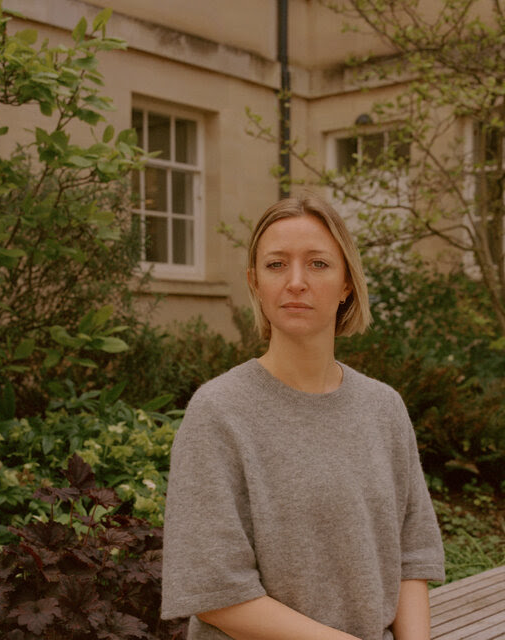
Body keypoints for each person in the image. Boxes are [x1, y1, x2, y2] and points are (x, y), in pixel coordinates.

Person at [161, 194, 445, 640]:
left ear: (347, 282)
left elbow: (413, 556)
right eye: (276, 265)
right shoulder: (219, 412)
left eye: (317, 264)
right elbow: (215, 589)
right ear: (254, 282)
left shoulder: (383, 408)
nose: (296, 281)